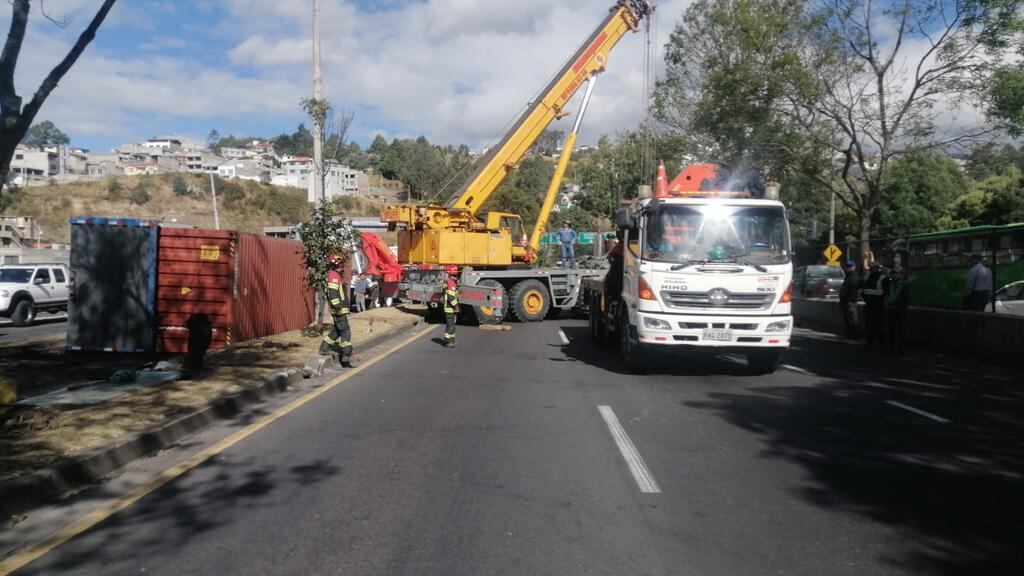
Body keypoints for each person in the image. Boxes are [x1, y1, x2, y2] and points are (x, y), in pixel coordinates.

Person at [319, 254, 358, 367]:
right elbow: (333, 294)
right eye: (341, 264)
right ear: (336, 265)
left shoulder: (334, 275)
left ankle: (324, 348)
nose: (342, 267)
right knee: (345, 331)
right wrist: (338, 308)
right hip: (339, 310)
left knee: (337, 331)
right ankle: (347, 354)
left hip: (339, 309)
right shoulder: (334, 276)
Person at [884, 267, 910, 355]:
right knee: (890, 329)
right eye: (893, 273)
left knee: (901, 330)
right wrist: (887, 300)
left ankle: (901, 349)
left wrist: (895, 301)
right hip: (890, 309)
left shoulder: (904, 285)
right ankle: (890, 347)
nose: (894, 275)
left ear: (901, 275)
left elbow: (906, 298)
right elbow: (887, 293)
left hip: (900, 309)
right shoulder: (890, 283)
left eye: (896, 273)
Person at [860, 262, 886, 349]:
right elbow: (862, 289)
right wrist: (863, 296)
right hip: (869, 304)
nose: (873, 270)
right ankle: (869, 341)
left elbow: (886, 292)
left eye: (875, 268)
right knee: (869, 324)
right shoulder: (867, 277)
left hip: (879, 305)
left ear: (878, 269)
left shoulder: (883, 278)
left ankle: (880, 342)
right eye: (872, 268)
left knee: (879, 325)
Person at [839, 260, 861, 341]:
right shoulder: (848, 277)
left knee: (852, 320)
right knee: (847, 320)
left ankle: (854, 336)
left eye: (850, 267)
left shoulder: (854, 277)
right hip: (845, 302)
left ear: (854, 267)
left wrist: (849, 300)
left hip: (850, 302)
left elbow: (854, 291)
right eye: (847, 267)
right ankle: (849, 336)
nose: (848, 268)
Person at [442, 266, 459, 348]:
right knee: (450, 325)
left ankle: (452, 340)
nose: (456, 277)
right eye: (455, 275)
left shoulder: (447, 281)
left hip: (449, 308)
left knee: (452, 325)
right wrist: (456, 306)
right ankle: (448, 341)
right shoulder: (451, 283)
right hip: (450, 308)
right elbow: (451, 297)